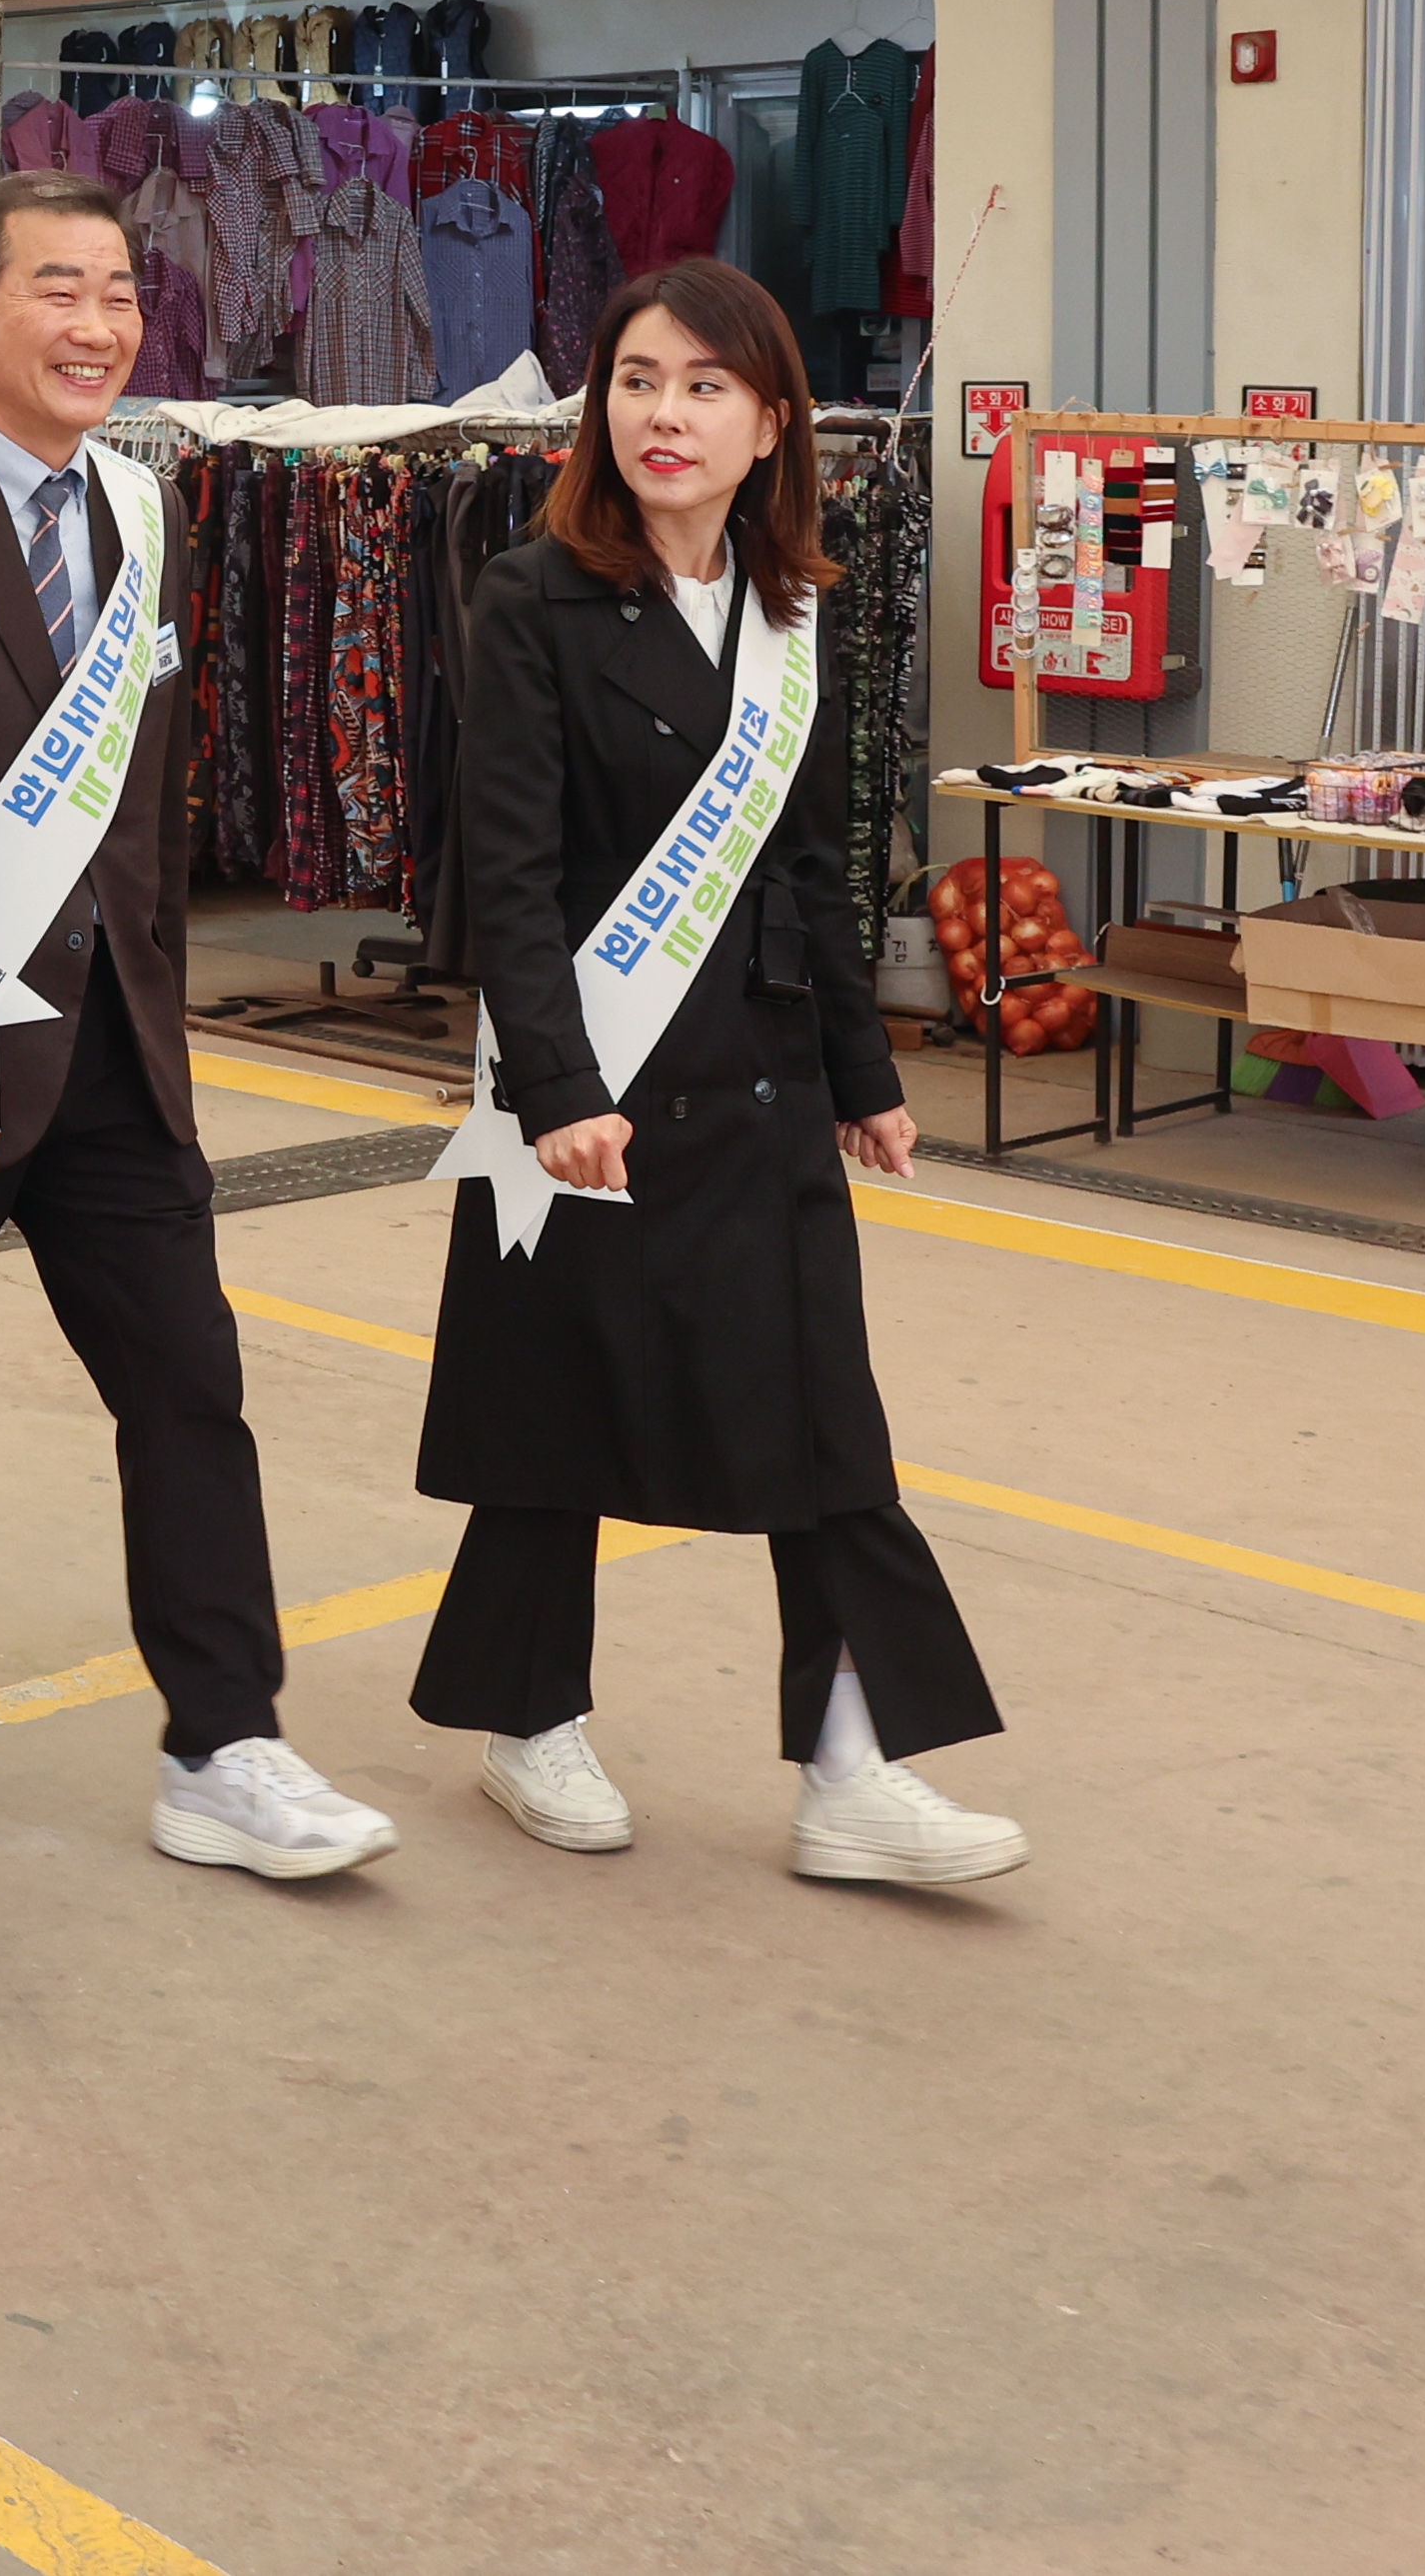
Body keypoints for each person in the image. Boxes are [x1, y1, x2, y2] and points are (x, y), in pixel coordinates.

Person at [408, 255, 1024, 1887]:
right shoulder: (532, 598)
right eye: (635, 380)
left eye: (702, 386)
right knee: (556, 1423)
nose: (663, 414)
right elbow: (515, 880)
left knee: (833, 1438)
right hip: (595, 1083)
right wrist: (553, 1092)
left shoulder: (792, 605)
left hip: (756, 1085)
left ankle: (852, 1776)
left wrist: (864, 1071)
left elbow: (816, 870)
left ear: (769, 424)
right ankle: (529, 1723)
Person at [0, 175, 393, 1879]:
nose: (96, 326)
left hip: (119, 1052)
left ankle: (225, 1743)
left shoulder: (146, 514)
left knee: (190, 1393)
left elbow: (141, 802)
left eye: (121, 294)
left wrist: (160, 1002)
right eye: (57, 290)